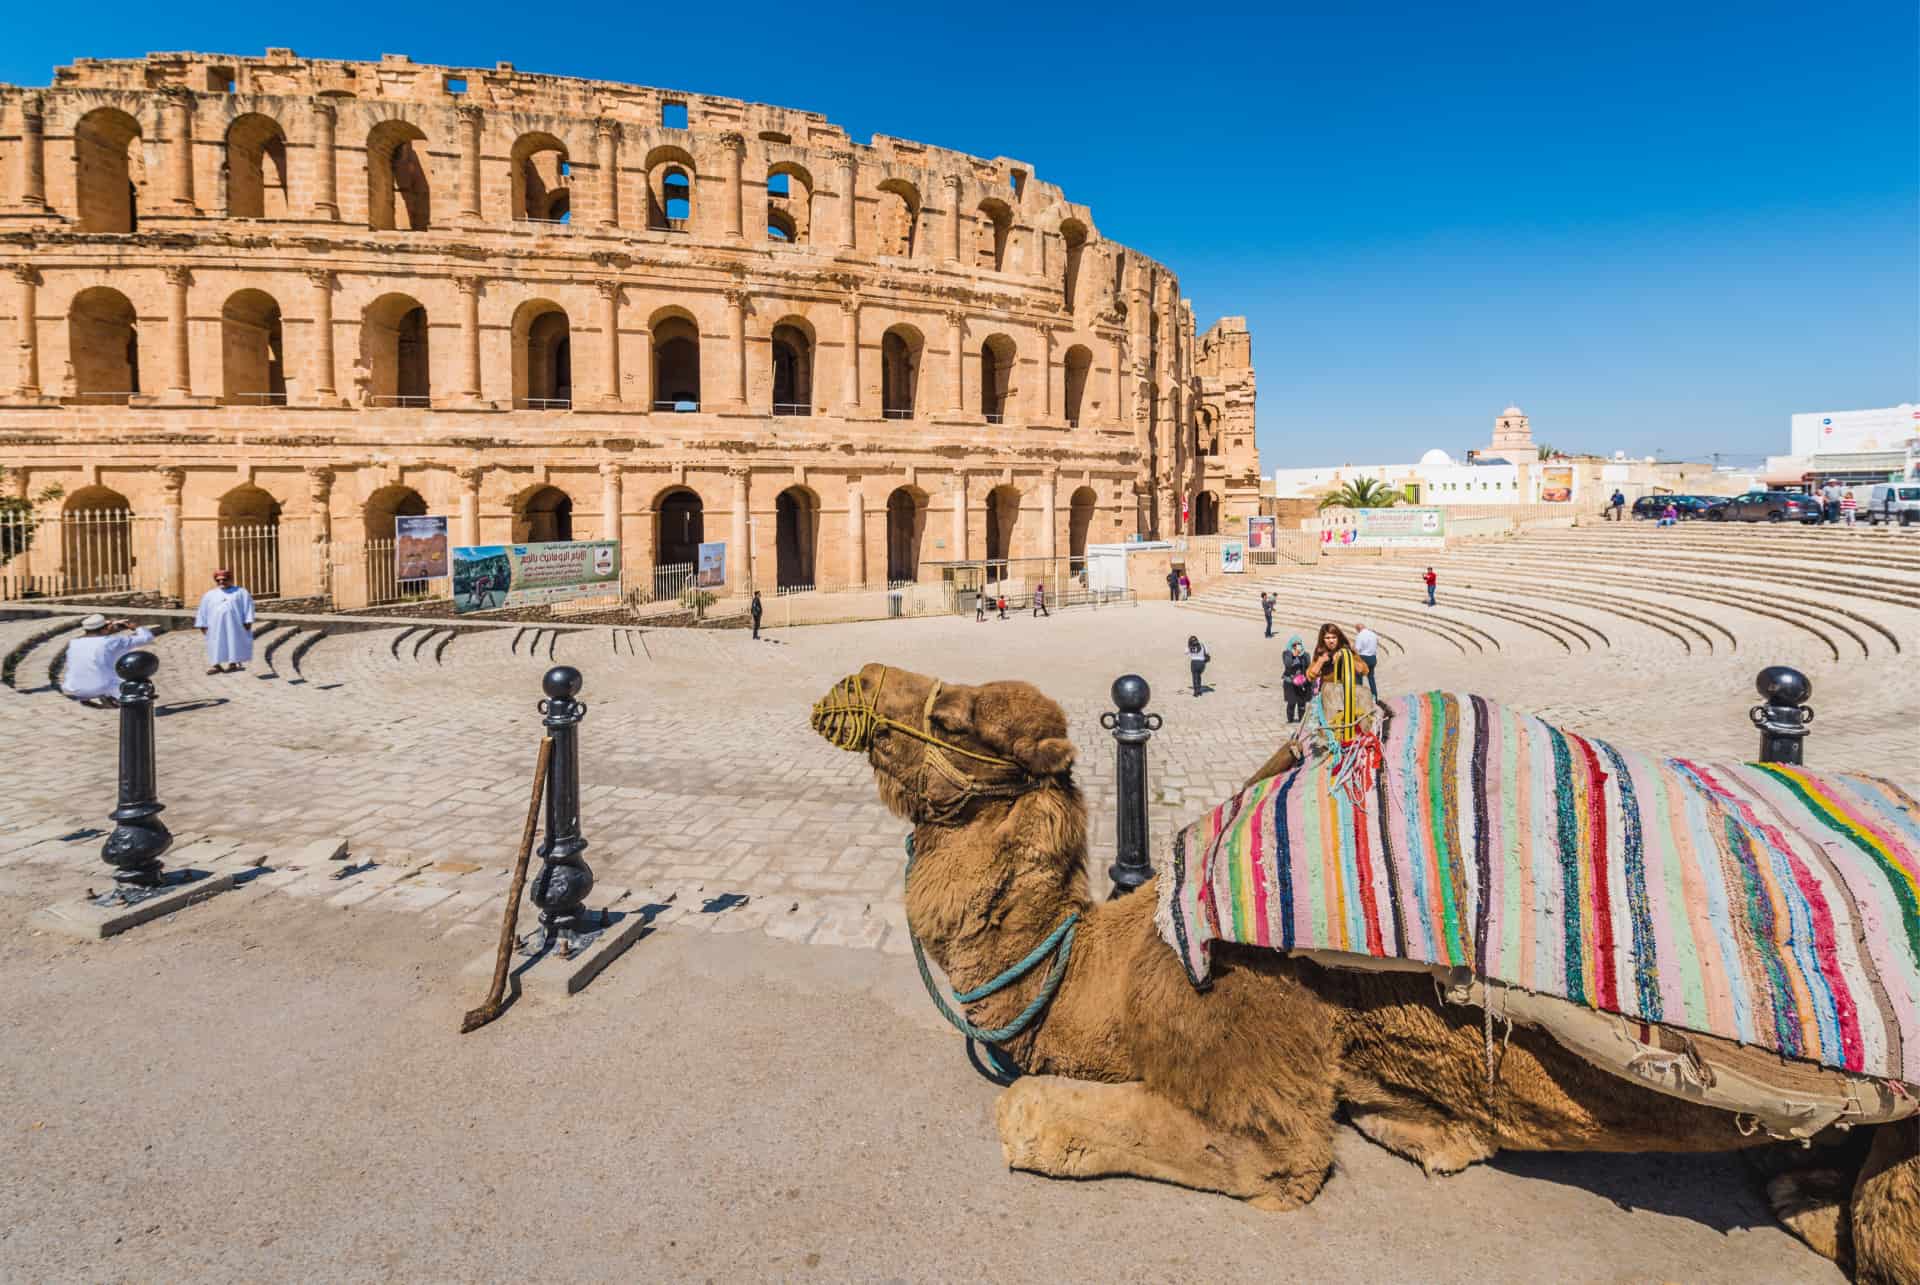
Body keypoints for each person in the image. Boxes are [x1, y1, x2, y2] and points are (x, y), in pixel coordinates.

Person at [61, 614, 155, 708]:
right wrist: (137, 627)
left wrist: (110, 628)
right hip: (102, 687)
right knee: (137, 679)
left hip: (74, 688)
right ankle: (111, 697)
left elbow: (97, 639)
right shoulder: (113, 641)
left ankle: (89, 697)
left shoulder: (74, 643)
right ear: (104, 629)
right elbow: (147, 637)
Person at [194, 569, 256, 675]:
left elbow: (248, 606)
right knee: (216, 644)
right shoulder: (209, 595)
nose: (221, 582)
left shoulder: (240, 592)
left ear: (230, 579)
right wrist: (202, 624)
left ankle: (233, 664)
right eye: (218, 580)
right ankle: (216, 666)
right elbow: (203, 610)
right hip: (215, 626)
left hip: (235, 625)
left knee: (233, 642)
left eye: (224, 579)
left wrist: (248, 621)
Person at [1305, 622, 1369, 686]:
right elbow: (1310, 677)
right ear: (1323, 639)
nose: (1331, 641)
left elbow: (1364, 670)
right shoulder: (1321, 652)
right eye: (1327, 638)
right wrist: (1320, 662)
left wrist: (1346, 657)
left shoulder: (1347, 649)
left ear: (1339, 638)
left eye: (1334, 637)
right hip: (1328, 692)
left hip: (1347, 691)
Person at [1281, 635, 1311, 723]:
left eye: (1299, 644)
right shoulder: (1286, 653)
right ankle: (1290, 718)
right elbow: (1288, 665)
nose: (1297, 646)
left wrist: (1301, 656)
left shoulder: (1306, 654)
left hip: (1302, 682)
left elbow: (1308, 666)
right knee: (1291, 702)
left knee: (1302, 702)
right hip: (1290, 682)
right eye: (1294, 645)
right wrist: (1293, 656)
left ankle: (1302, 719)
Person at [1353, 622, 1380, 698]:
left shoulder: (1360, 636)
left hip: (1364, 658)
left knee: (1358, 678)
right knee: (1371, 678)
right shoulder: (1373, 634)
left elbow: (1357, 649)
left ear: (1358, 629)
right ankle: (1375, 696)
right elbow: (1377, 642)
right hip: (1373, 658)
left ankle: (1360, 697)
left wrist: (1352, 648)